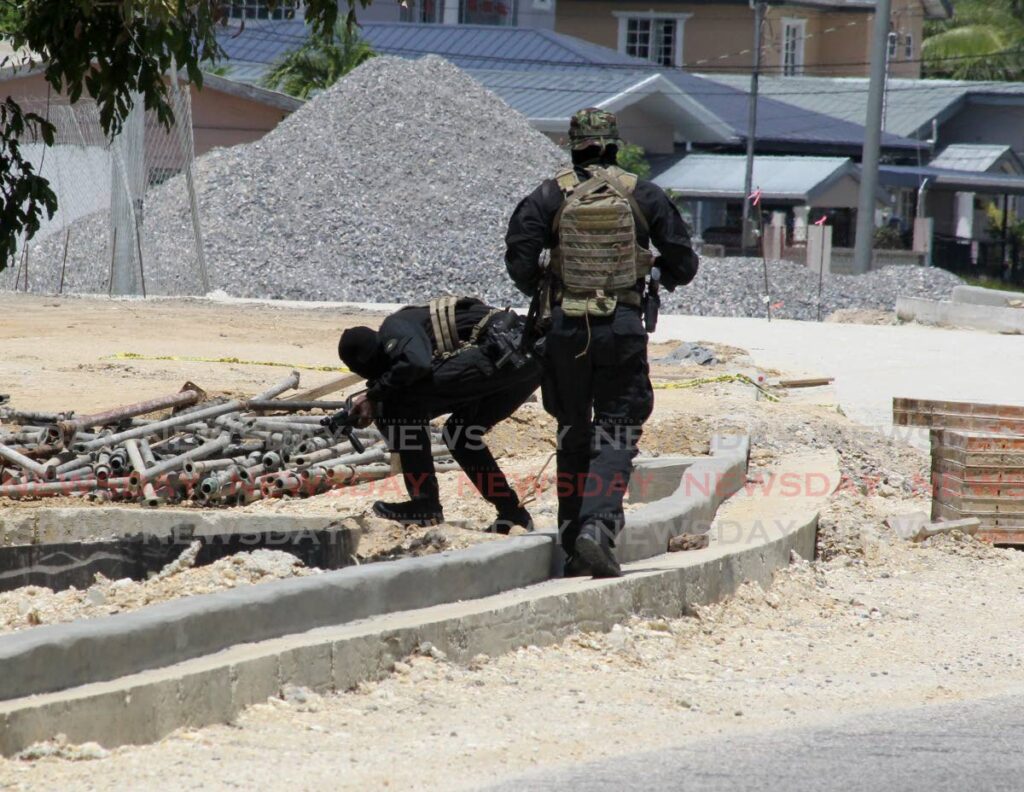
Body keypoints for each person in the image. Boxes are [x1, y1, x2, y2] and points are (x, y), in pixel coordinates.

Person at [505, 107, 698, 577]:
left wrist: (551, 291)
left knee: (573, 431)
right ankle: (598, 527)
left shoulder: (549, 195)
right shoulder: (642, 194)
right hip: (622, 327)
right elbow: (684, 263)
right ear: (613, 144)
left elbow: (519, 259)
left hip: (565, 331)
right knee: (616, 430)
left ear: (573, 145)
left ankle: (573, 545)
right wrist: (654, 271)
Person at [338, 296, 541, 533]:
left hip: (504, 348)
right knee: (460, 435)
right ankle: (513, 513)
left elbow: (417, 364)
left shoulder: (393, 328)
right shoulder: (408, 333)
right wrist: (377, 397)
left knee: (399, 404)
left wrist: (376, 396)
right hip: (526, 359)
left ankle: (424, 504)